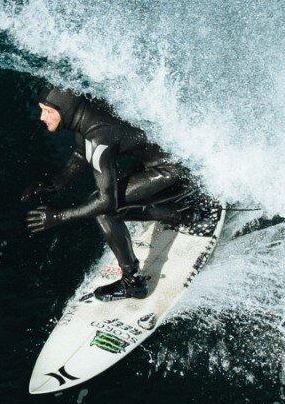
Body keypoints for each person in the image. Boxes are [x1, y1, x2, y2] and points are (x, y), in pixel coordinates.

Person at [24, 85, 213, 301]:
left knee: (103, 210)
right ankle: (183, 213)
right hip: (174, 160)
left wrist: (58, 217)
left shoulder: (98, 136)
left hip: (175, 174)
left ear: (66, 111)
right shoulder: (89, 114)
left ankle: (133, 283)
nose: (42, 117)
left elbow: (105, 202)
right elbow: (80, 153)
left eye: (48, 111)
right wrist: (53, 183)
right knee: (111, 203)